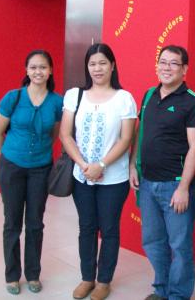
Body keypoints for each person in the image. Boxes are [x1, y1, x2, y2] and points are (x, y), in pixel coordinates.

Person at [60, 43, 137, 300]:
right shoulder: (75, 95)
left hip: (114, 179)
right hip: (81, 176)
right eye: (92, 64)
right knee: (86, 227)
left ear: (112, 65)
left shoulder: (124, 98)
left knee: (110, 228)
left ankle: (104, 280)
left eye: (102, 63)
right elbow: (65, 134)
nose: (97, 68)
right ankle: (86, 278)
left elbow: (126, 139)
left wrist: (101, 165)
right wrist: (84, 166)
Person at [129, 45, 195, 300]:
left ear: (185, 69)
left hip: (176, 186)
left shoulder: (192, 101)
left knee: (180, 247)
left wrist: (184, 188)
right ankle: (161, 290)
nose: (167, 67)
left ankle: (178, 295)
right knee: (152, 242)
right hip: (148, 184)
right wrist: (132, 165)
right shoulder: (149, 95)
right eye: (163, 62)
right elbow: (140, 133)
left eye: (174, 63)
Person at [0, 49, 63, 295]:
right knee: (12, 223)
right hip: (12, 166)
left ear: (50, 70)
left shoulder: (56, 101)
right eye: (33, 67)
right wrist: (10, 156)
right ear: (26, 70)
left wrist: (37, 154)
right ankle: (12, 275)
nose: (38, 72)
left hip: (40, 169)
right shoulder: (13, 97)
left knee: (35, 223)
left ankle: (33, 274)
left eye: (43, 67)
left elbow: (54, 134)